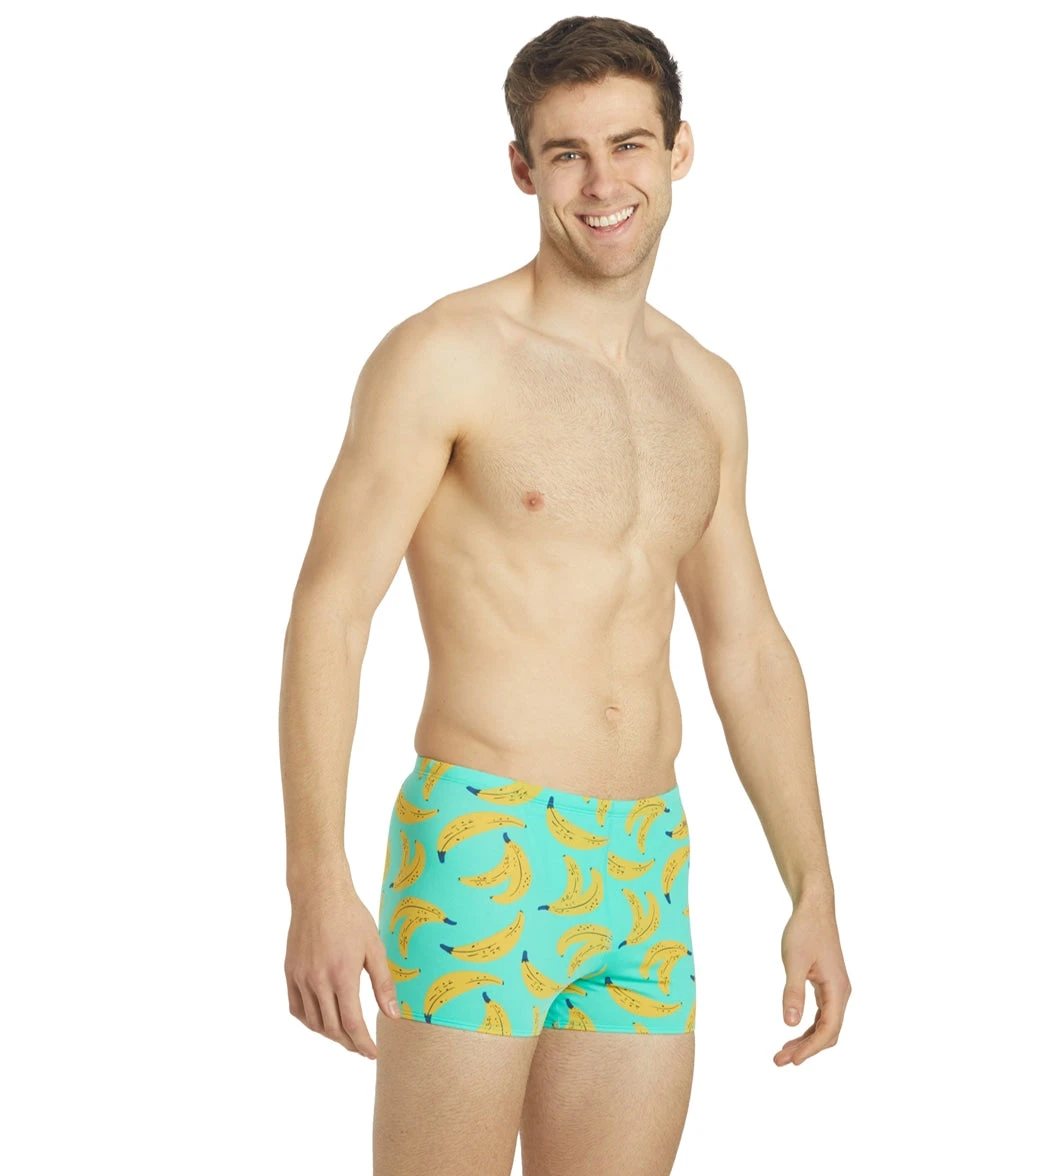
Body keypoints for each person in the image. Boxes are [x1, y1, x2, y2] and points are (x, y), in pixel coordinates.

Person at [279, 14, 851, 1176]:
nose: (602, 183)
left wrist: (814, 888)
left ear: (679, 150)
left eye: (629, 145)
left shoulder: (705, 389)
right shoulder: (446, 354)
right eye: (566, 153)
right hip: (482, 835)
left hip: (645, 859)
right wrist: (317, 882)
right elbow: (330, 616)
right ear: (521, 168)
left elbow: (745, 647)